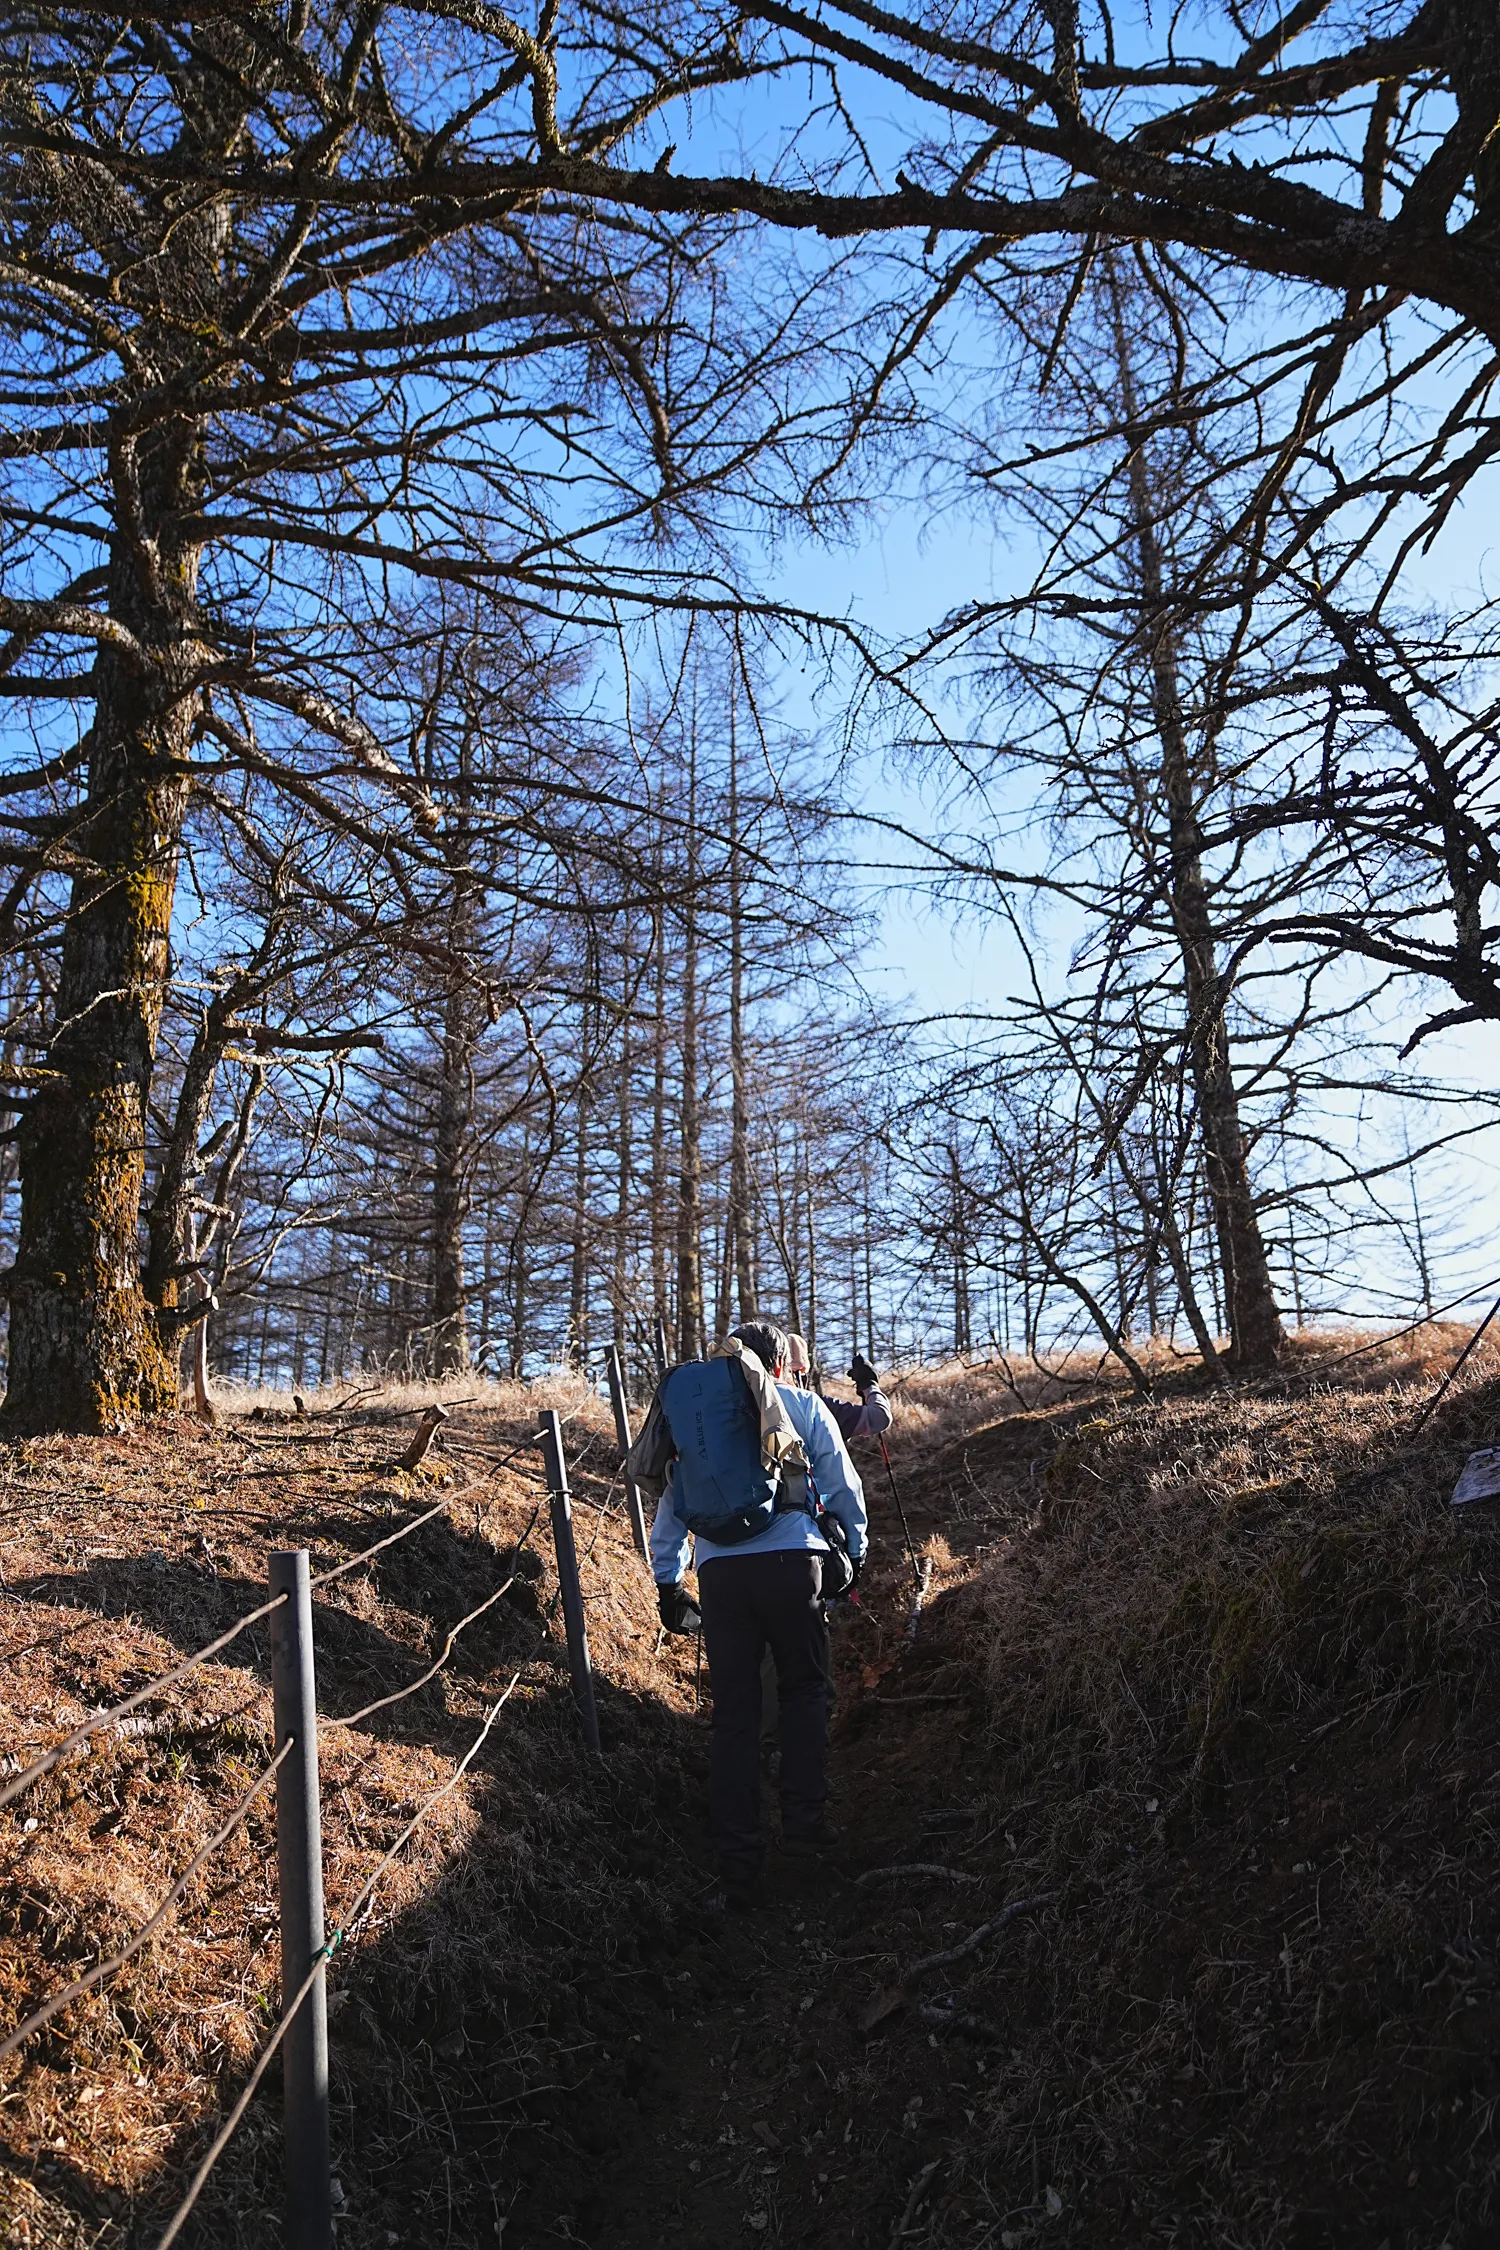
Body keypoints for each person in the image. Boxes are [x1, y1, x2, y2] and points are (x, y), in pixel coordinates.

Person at [648, 1318, 868, 1905]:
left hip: (721, 1576)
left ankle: (738, 1858)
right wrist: (853, 1551)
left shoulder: (701, 1419)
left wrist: (668, 1582)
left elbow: (672, 1502)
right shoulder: (801, 1405)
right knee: (804, 1692)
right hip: (794, 1565)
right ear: (777, 1364)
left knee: (736, 1715)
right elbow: (842, 1485)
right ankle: (804, 1826)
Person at [786, 1333, 893, 1444]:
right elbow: (880, 1417)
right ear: (801, 1372)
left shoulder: (774, 1401)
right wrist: (869, 1385)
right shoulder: (813, 1405)